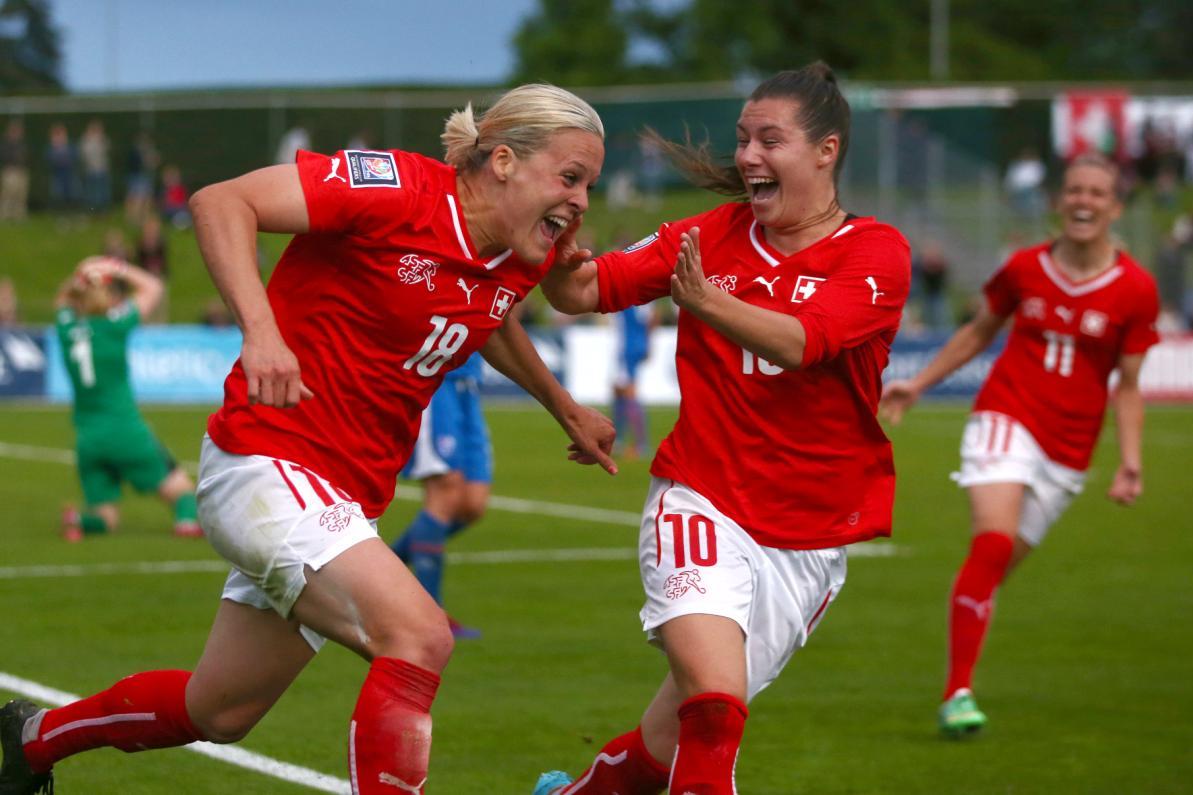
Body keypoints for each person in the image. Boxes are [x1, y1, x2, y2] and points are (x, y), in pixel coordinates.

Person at [0, 83, 613, 795]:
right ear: (503, 160)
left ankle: (33, 739)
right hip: (266, 460)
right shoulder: (394, 189)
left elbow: (490, 311)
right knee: (419, 636)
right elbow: (221, 202)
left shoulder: (519, 250)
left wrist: (564, 405)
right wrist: (261, 332)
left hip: (346, 494)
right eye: (571, 178)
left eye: (590, 185)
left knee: (221, 708)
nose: (582, 201)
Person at [534, 63, 911, 795]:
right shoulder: (704, 235)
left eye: (769, 139)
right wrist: (561, 256)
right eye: (742, 139)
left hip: (809, 537)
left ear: (826, 151)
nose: (746, 157)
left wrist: (703, 299)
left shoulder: (876, 253)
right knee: (712, 710)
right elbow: (582, 290)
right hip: (701, 497)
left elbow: (804, 341)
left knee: (672, 736)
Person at [879, 153, 1161, 737]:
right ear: (1059, 202)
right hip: (1006, 416)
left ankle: (959, 675)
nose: (1084, 201)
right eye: (1074, 191)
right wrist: (921, 382)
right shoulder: (1024, 268)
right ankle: (958, 693)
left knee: (994, 569)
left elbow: (1128, 386)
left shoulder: (1135, 290)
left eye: (1097, 194)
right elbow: (981, 329)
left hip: (1069, 449)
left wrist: (1131, 463)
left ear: (1115, 208)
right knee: (992, 543)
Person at [49, 256, 201, 543]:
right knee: (183, 492)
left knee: (106, 519)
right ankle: (186, 522)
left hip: (88, 439)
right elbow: (154, 287)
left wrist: (81, 274)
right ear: (105, 295)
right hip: (124, 430)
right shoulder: (114, 325)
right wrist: (113, 267)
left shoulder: (66, 327)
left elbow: (63, 299)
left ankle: (78, 520)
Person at [390, 351, 493, 639]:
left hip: (469, 381)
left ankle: (377, 567)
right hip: (436, 379)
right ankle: (430, 615)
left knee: (473, 503)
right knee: (445, 490)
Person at [612, 302, 656, 458]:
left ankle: (641, 444)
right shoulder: (646, 298)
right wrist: (648, 344)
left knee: (629, 392)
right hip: (635, 344)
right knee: (618, 391)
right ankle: (618, 440)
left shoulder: (628, 295)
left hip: (628, 347)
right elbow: (651, 318)